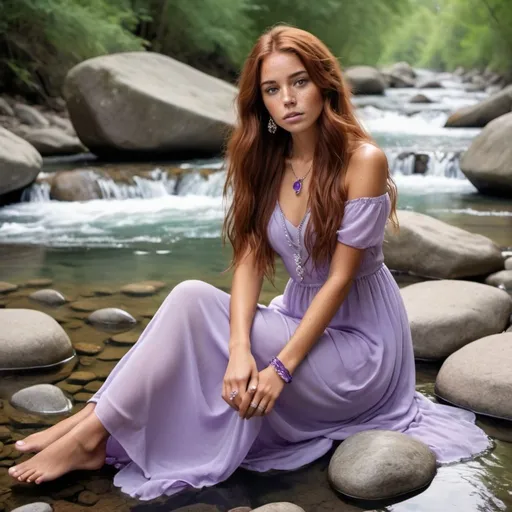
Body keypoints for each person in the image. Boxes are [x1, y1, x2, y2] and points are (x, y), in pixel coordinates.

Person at [9, 25, 490, 500]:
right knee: (193, 300)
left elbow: (340, 280)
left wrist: (278, 369)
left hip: (361, 348)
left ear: (324, 83)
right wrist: (240, 350)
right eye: (272, 89)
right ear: (261, 102)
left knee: (194, 311)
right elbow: (249, 262)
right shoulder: (264, 161)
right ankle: (89, 427)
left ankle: (88, 434)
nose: (289, 99)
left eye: (299, 81)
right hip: (298, 317)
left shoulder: (362, 160)